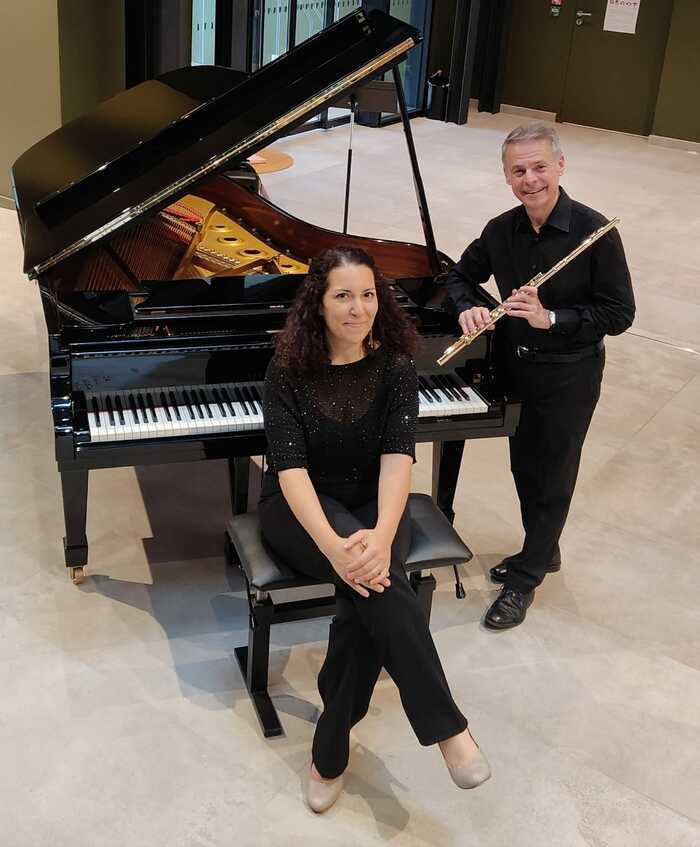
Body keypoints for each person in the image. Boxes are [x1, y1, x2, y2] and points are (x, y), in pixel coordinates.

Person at [258, 247, 491, 813]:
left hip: (377, 506)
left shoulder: (395, 366)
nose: (357, 307)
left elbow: (398, 461)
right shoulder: (286, 369)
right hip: (302, 510)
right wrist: (336, 549)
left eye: (367, 294)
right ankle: (448, 730)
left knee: (370, 591)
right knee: (378, 586)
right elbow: (290, 471)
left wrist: (383, 533)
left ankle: (328, 752)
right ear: (318, 302)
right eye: (342, 295)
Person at [445, 122, 635, 631]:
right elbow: (459, 275)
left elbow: (618, 316)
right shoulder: (500, 230)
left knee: (553, 475)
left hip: (568, 375)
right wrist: (470, 308)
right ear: (507, 176)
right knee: (524, 467)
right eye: (518, 170)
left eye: (539, 167)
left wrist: (550, 318)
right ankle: (541, 548)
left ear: (560, 166)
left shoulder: (596, 234)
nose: (530, 179)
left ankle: (526, 577)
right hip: (513, 365)